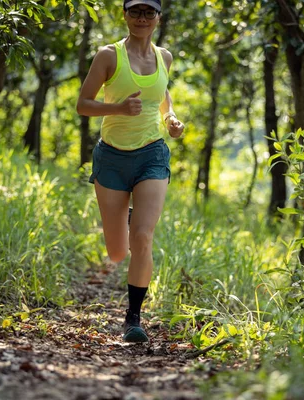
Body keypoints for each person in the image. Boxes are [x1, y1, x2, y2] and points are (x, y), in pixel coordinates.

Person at [76, 0, 185, 343]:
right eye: (135, 12)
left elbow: (162, 91)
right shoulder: (109, 55)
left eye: (148, 12)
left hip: (152, 154)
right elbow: (83, 104)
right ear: (125, 15)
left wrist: (170, 118)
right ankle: (128, 216)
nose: (141, 19)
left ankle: (133, 319)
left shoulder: (164, 57)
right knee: (117, 251)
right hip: (111, 158)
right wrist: (119, 108)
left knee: (143, 238)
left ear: (157, 17)